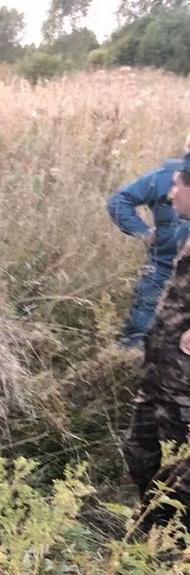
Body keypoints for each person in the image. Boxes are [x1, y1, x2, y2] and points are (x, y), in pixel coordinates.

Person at [122, 157, 190, 521]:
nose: (170, 191)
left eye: (179, 184)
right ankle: (154, 527)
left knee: (181, 475)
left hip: (185, 389)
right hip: (161, 378)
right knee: (139, 450)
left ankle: (172, 546)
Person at [108, 135, 190, 348]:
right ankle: (129, 370)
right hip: (162, 269)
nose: (172, 195)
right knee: (140, 335)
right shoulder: (164, 178)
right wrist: (143, 232)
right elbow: (119, 201)